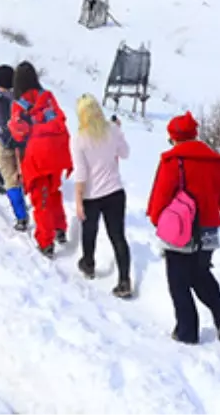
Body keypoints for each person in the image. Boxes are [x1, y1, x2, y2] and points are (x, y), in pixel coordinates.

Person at [146, 111, 220, 345]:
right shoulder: (215, 161)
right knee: (201, 274)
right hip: (209, 229)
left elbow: (161, 196)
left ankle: (187, 332)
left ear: (174, 137)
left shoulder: (173, 161)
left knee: (178, 281)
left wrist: (157, 220)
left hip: (181, 230)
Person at [8, 61, 73, 258]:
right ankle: (60, 229)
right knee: (53, 193)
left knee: (41, 200)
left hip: (36, 157)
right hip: (57, 153)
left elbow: (19, 134)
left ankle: (46, 242)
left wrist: (31, 129)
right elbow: (61, 120)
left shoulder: (19, 105)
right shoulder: (48, 97)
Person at [71, 95, 132, 299]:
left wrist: (78, 200)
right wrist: (119, 132)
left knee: (90, 231)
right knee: (118, 237)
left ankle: (88, 264)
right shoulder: (112, 130)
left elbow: (81, 172)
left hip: (91, 194)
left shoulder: (79, 139)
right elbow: (125, 154)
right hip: (115, 192)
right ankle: (124, 280)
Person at [0, 66, 28, 231]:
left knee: (10, 180)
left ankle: (21, 217)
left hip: (2, 144)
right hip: (22, 144)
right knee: (23, 175)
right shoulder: (21, 100)